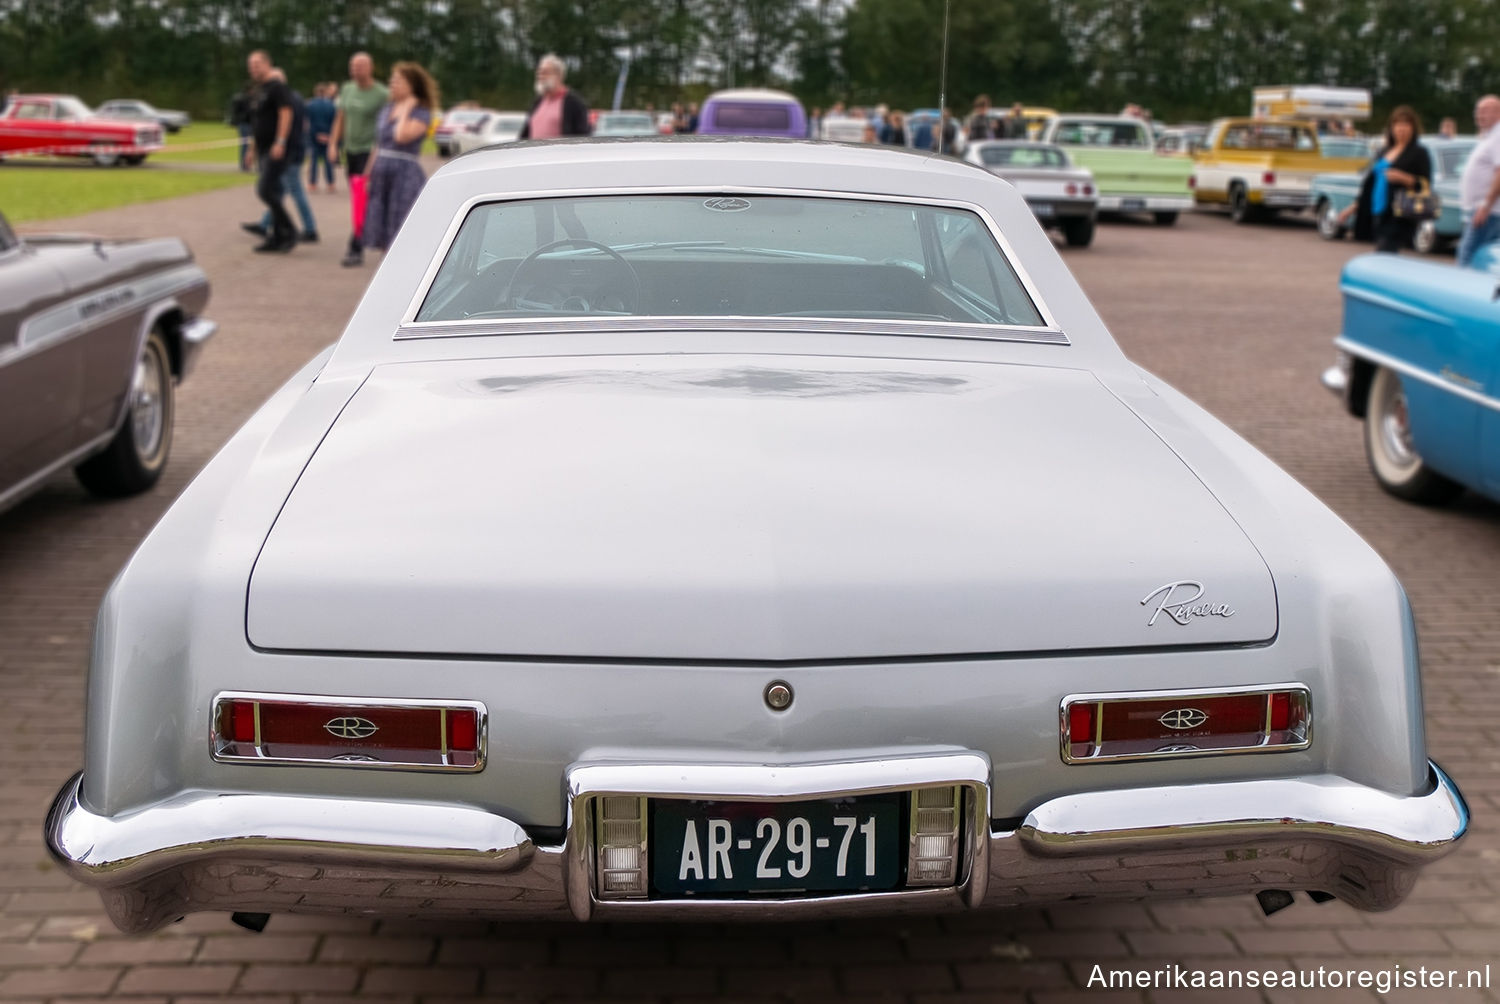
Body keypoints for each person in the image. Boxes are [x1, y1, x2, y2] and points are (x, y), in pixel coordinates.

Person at [357, 62, 438, 264]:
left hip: (404, 173)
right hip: (382, 171)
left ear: (412, 84)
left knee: (399, 219)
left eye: (399, 80)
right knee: (381, 218)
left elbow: (401, 136)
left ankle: (400, 262)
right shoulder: (387, 108)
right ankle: (386, 261)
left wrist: (407, 109)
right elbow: (379, 143)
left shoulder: (421, 112)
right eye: (392, 80)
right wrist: (368, 174)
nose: (393, 84)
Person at [1340, 106, 1432, 253]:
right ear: (1392, 127)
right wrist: (1352, 208)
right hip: (1377, 212)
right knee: (1384, 256)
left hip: (1399, 214)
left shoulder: (1419, 153)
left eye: (1406, 125)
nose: (1401, 129)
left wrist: (1405, 178)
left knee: (1384, 253)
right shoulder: (1385, 150)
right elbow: (1370, 183)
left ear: (1413, 128)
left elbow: (1426, 185)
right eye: (1398, 124)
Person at [329, 52, 389, 267]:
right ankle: (381, 241)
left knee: (363, 201)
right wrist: (333, 144)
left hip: (369, 152)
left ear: (370, 67)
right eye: (352, 66)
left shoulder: (382, 94)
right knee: (361, 201)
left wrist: (377, 152)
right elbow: (340, 117)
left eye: (360, 66)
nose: (355, 70)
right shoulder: (347, 89)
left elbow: (386, 127)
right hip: (351, 151)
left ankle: (355, 249)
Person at [246, 70, 318, 244]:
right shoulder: (295, 98)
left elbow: (291, 128)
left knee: (289, 189)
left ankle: (309, 229)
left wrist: (281, 146)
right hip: (290, 151)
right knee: (277, 190)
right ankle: (266, 225)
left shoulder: (288, 101)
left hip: (289, 153)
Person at [244, 50, 297, 253]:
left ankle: (289, 230)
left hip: (276, 149)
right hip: (263, 148)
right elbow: (257, 123)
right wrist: (252, 150)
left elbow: (286, 113)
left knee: (264, 190)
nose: (253, 68)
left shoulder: (277, 88)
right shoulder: (259, 90)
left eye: (257, 64)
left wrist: (280, 141)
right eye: (251, 65)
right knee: (272, 191)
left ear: (267, 64)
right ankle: (277, 238)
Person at [1458, 94, 1500, 267]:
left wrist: (1485, 205)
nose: (1478, 115)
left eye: (1484, 111)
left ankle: (1463, 292)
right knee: (1480, 259)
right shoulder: (1489, 136)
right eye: (1477, 111)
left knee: (1467, 257)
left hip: (1489, 213)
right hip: (1483, 211)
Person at [518, 53, 591, 139]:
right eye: (539, 72)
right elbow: (525, 134)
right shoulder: (538, 101)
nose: (540, 76)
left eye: (545, 72)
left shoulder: (574, 102)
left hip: (560, 152)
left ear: (558, 75)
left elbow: (582, 137)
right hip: (534, 152)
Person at [305, 82, 337, 192]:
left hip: (314, 135)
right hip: (328, 135)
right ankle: (330, 183)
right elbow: (335, 121)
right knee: (328, 161)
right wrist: (330, 135)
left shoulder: (310, 105)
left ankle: (312, 183)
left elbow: (308, 121)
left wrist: (313, 134)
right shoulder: (332, 105)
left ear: (316, 92)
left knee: (314, 160)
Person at [228, 84, 255, 172]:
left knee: (246, 145)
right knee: (246, 145)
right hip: (246, 124)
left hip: (245, 124)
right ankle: (245, 165)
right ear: (250, 90)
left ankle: (245, 165)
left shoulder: (239, 98)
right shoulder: (247, 99)